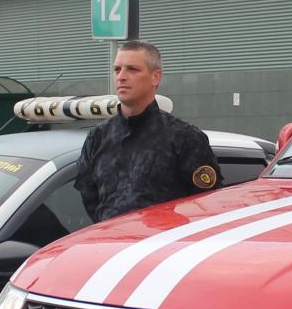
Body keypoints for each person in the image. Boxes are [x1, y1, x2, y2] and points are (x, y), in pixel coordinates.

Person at [76, 40, 221, 222]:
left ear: (156, 77)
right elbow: (90, 197)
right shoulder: (98, 137)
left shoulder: (184, 137)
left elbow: (205, 202)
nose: (121, 76)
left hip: (162, 245)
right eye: (117, 69)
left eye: (132, 69)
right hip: (111, 245)